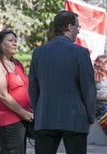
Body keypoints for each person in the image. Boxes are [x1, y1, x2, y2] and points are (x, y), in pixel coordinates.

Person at [28, 10, 97, 154]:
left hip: (45, 118)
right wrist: (90, 117)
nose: (78, 31)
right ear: (70, 27)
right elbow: (88, 89)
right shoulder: (81, 53)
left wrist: (38, 112)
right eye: (78, 27)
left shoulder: (38, 52)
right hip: (74, 119)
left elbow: (33, 88)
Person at [0, 29, 34, 154]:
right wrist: (24, 113)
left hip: (22, 118)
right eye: (10, 41)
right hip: (7, 119)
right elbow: (2, 95)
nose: (15, 43)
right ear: (0, 44)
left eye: (16, 41)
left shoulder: (16, 63)